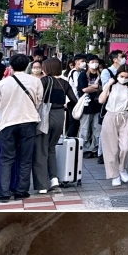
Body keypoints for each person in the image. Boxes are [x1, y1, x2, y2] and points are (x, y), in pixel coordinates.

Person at [0, 54, 43, 201]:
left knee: (6, 158)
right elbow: (39, 100)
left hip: (8, 122)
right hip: (29, 121)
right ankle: (22, 190)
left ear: (11, 66)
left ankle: (3, 193)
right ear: (27, 65)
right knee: (25, 158)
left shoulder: (3, 83)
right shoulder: (35, 81)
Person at [34, 57, 77, 194]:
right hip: (60, 117)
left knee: (41, 150)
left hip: (45, 116)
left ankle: (42, 185)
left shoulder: (44, 81)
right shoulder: (64, 83)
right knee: (51, 148)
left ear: (47, 68)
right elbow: (74, 100)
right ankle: (54, 179)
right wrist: (65, 106)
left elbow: (36, 98)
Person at [98, 65, 128, 186]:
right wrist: (108, 85)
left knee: (127, 147)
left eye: (126, 77)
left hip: (125, 116)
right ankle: (114, 175)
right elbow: (101, 100)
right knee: (111, 149)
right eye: (121, 76)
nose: (123, 79)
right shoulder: (111, 86)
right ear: (117, 75)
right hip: (110, 116)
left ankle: (122, 168)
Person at [77, 56, 104, 158]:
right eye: (92, 62)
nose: (94, 64)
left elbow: (103, 88)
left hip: (98, 105)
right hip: (86, 106)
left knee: (97, 128)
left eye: (96, 62)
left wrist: (91, 88)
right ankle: (84, 149)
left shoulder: (101, 74)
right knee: (85, 128)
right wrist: (96, 88)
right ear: (88, 63)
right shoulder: (83, 75)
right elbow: (83, 89)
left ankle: (95, 148)